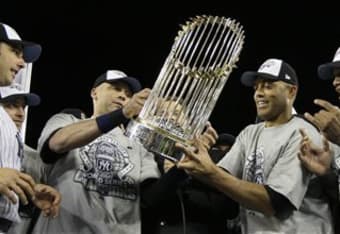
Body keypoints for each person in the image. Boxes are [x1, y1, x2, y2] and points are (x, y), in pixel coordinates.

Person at [176, 58, 333, 233]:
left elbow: (276, 203)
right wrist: (194, 160)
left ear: (291, 91)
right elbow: (222, 178)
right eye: (256, 87)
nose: (258, 93)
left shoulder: (302, 133)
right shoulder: (250, 132)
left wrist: (211, 173)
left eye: (268, 86)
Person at [31, 70, 162, 234]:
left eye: (128, 94)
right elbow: (58, 143)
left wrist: (182, 169)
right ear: (94, 92)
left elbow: (150, 198)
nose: (123, 96)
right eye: (115, 88)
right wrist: (122, 113)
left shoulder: (138, 143)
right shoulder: (67, 120)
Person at [0, 84, 61, 233]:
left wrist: (31, 195)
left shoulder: (29, 155)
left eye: (23, 107)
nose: (21, 113)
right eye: (11, 106)